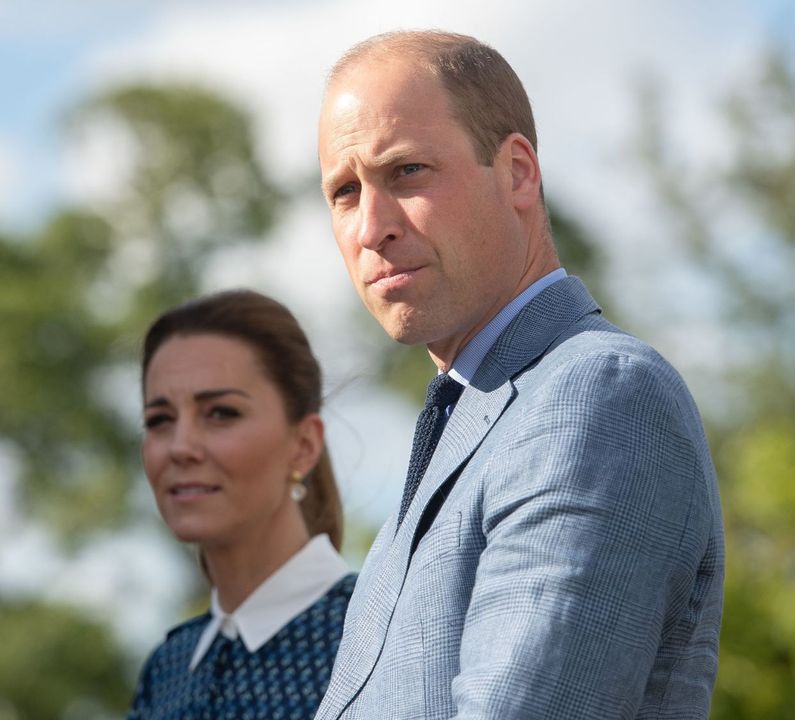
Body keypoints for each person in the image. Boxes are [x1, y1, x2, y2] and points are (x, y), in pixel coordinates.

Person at [314, 30, 724, 719]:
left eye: (407, 171)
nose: (370, 227)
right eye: (345, 192)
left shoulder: (596, 396)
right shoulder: (466, 424)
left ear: (518, 173)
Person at [129, 290, 356, 720]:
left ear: (304, 445)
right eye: (160, 420)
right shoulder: (166, 669)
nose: (180, 447)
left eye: (221, 413)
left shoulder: (375, 635)